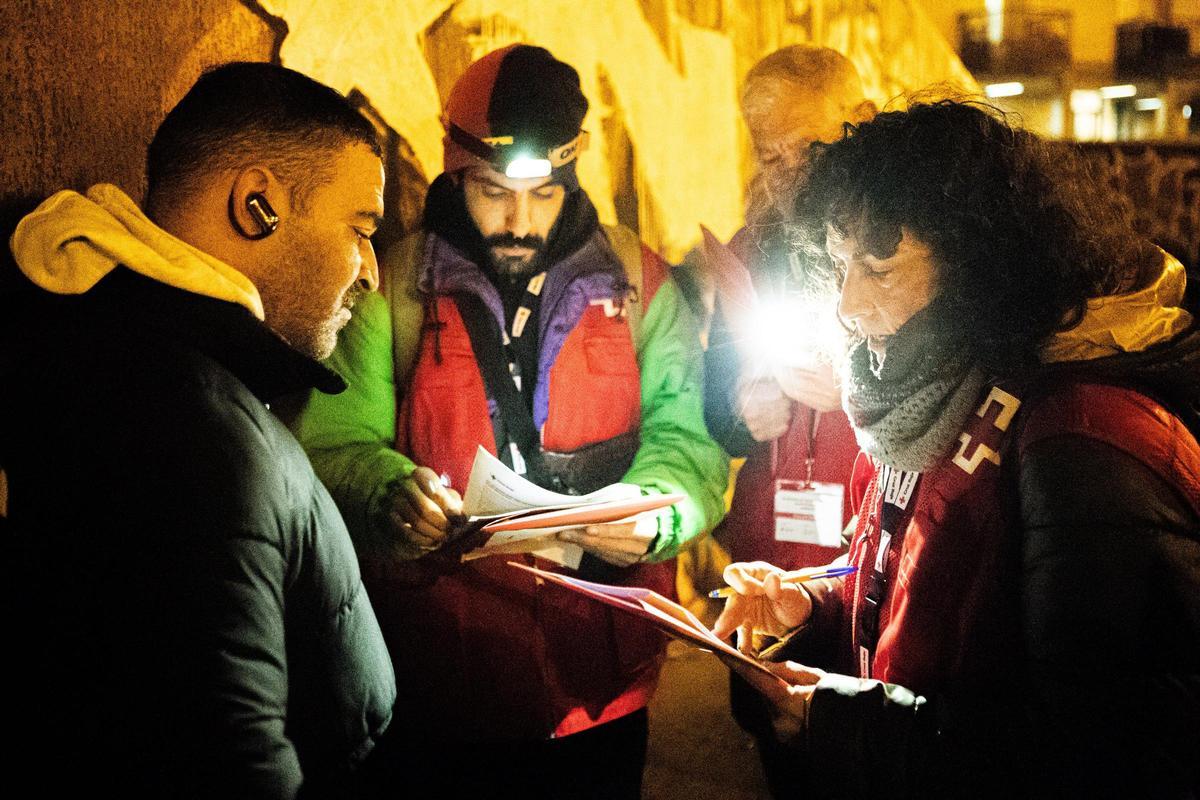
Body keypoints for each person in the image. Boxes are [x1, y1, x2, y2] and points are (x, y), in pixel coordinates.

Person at [713, 99, 1200, 798]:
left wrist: (850, 727)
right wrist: (816, 604)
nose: (847, 303)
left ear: (980, 268)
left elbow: (1093, 751)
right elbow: (928, 581)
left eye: (880, 269)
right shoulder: (930, 393)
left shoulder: (1081, 440)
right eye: (839, 264)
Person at [289, 45, 726, 798]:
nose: (520, 221)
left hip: (602, 682)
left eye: (545, 194)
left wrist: (653, 513)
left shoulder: (641, 282)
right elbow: (332, 440)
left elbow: (689, 437)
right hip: (441, 676)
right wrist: (390, 492)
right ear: (455, 169)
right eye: (493, 191)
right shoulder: (394, 286)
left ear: (572, 171)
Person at [1, 62, 396, 799]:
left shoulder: (132, 350)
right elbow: (223, 764)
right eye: (361, 228)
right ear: (257, 205)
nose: (371, 271)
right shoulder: (192, 425)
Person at [701, 45, 874, 795]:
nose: (792, 171)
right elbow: (713, 401)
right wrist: (743, 408)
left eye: (811, 147)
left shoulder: (902, 247)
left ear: (861, 123)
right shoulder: (749, 251)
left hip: (868, 558)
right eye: (771, 155)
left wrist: (859, 394)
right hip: (774, 551)